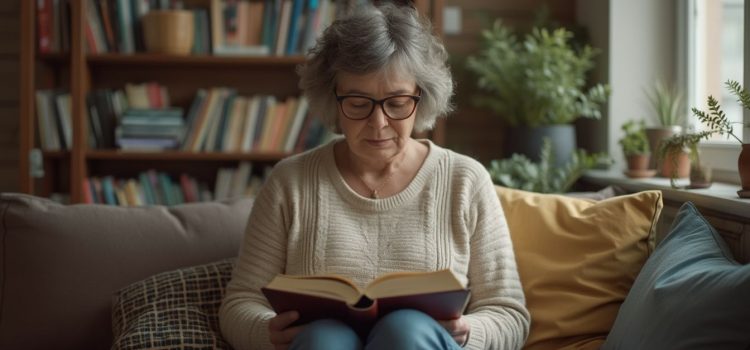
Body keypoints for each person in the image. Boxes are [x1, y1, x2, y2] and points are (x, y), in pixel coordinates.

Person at [219, 2, 530, 349]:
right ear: (333, 99)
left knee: (406, 331)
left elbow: (509, 313)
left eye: (396, 103)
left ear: (421, 97)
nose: (378, 123)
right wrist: (267, 331)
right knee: (324, 339)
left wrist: (469, 331)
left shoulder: (465, 180)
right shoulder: (290, 182)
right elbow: (240, 303)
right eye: (358, 102)